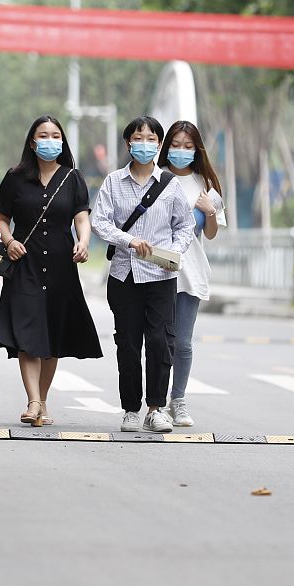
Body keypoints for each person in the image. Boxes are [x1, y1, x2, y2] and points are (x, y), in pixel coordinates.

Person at [0, 115, 102, 427]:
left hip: (60, 265)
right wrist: (9, 240)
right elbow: (1, 217)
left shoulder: (72, 178)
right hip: (24, 262)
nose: (50, 140)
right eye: (43, 135)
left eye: (56, 135)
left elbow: (82, 216)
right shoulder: (15, 178)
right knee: (28, 332)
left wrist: (83, 242)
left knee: (52, 334)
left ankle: (41, 400)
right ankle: (33, 400)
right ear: (32, 141)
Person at [91, 116, 194, 434]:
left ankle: (156, 408)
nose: (145, 144)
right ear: (128, 144)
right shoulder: (113, 182)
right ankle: (131, 409)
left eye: (152, 139)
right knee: (128, 344)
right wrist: (129, 241)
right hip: (124, 276)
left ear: (159, 145)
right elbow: (100, 222)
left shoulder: (170, 185)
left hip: (162, 277)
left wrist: (175, 251)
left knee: (161, 343)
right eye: (139, 138)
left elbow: (185, 225)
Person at [158, 120, 227, 427]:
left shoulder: (206, 185)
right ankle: (155, 403)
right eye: (176, 145)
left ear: (197, 150)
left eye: (188, 146)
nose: (181, 151)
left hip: (190, 274)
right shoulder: (155, 178)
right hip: (156, 272)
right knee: (160, 341)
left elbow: (210, 234)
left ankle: (178, 400)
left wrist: (209, 211)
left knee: (183, 343)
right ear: (166, 147)